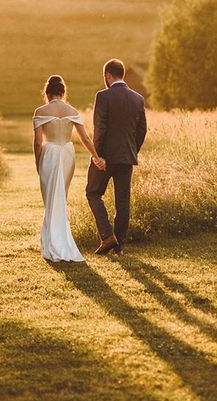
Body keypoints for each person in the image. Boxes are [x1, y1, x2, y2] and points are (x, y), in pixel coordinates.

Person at [32, 75, 104, 262]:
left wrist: (38, 162)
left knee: (50, 198)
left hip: (49, 153)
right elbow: (86, 139)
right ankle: (55, 240)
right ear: (63, 93)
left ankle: (51, 243)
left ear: (47, 93)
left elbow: (38, 143)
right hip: (67, 153)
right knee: (61, 197)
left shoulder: (40, 111)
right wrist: (96, 157)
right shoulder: (72, 110)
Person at [86, 58, 148, 255]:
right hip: (127, 158)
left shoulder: (103, 96)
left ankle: (107, 236)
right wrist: (132, 150)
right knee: (123, 202)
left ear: (107, 76)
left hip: (105, 158)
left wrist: (97, 156)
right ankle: (119, 246)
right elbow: (142, 130)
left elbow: (100, 128)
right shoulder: (137, 98)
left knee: (93, 193)